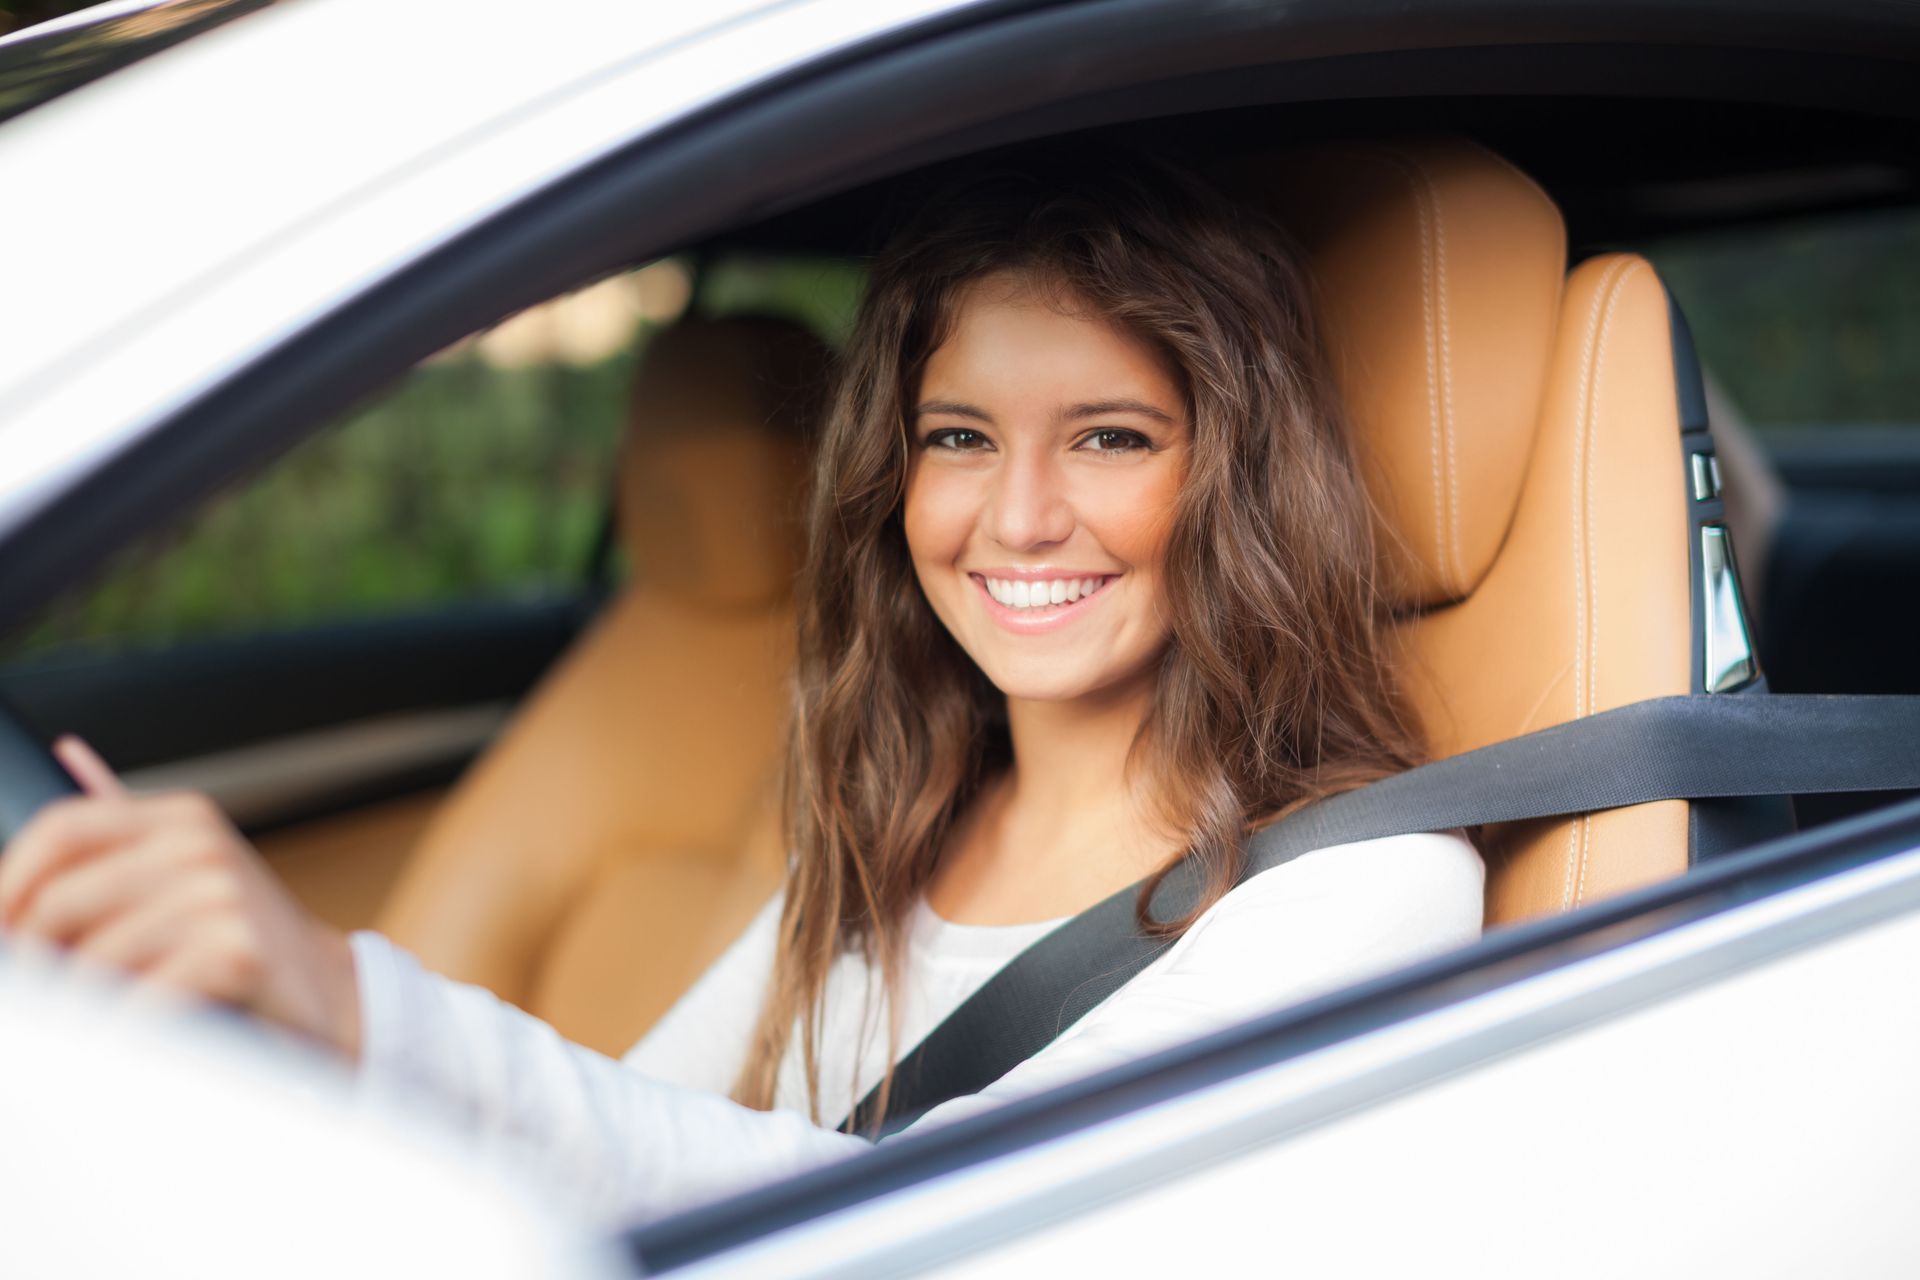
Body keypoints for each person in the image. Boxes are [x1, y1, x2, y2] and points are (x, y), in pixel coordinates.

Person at [0, 152, 1483, 1225]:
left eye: (1108, 438)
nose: (1017, 518)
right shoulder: (906, 814)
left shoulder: (1364, 891)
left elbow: (920, 1226)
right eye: (959, 437)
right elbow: (627, 1120)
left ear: (1238, 483)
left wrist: (347, 999)